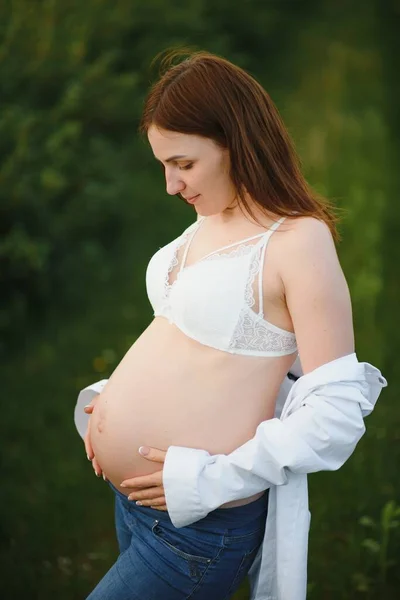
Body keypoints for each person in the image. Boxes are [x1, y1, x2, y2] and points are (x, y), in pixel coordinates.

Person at [74, 49, 387, 600]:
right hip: (137, 503)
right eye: (163, 165)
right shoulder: (206, 220)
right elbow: (192, 344)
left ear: (237, 142)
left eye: (185, 165)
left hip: (198, 528)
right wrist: (110, 400)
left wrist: (209, 480)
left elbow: (336, 414)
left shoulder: (297, 241)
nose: (171, 186)